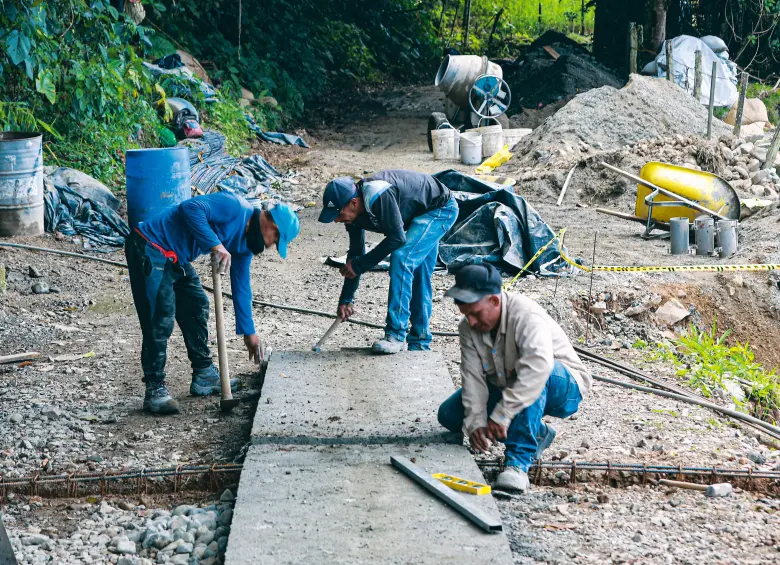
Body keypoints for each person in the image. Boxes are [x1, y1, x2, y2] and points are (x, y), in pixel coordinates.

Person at [125, 192, 300, 415]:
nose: (271, 245)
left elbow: (242, 287)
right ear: (271, 224)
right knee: (160, 317)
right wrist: (215, 244)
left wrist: (249, 332)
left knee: (196, 304)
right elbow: (190, 208)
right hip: (150, 246)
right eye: (275, 239)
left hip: (176, 257)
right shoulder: (235, 206)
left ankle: (204, 374)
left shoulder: (244, 244)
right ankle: (154, 389)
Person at [436, 263, 592, 492]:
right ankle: (538, 432)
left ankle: (518, 463)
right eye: (466, 315)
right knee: (450, 415)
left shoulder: (526, 315)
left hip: (562, 384)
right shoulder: (468, 327)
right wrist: (476, 422)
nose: (471, 322)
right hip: (509, 383)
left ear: (495, 301)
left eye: (476, 314)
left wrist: (503, 413)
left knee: (534, 371)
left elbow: (537, 368)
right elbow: (473, 378)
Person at [318, 170, 458, 353]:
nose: (337, 220)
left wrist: (360, 265)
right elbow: (356, 253)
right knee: (420, 273)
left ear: (353, 202)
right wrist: (346, 298)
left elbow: (397, 238)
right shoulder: (353, 213)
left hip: (440, 210)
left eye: (338, 213)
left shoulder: (378, 194)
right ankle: (420, 343)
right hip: (422, 213)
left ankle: (395, 335)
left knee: (402, 258)